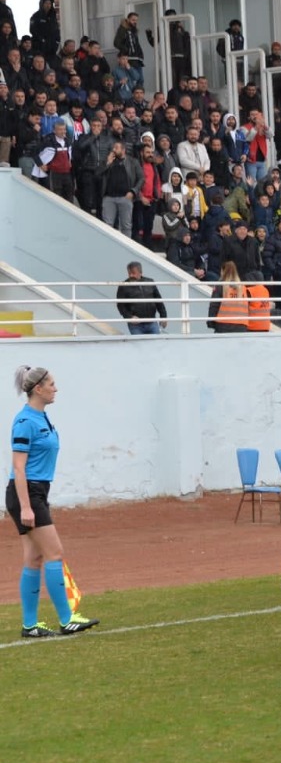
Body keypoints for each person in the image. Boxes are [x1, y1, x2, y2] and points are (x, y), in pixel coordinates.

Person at [9, 366, 99, 638]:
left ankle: (30, 625)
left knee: (34, 557)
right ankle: (66, 618)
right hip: (27, 494)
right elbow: (18, 467)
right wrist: (26, 506)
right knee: (54, 552)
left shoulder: (41, 418)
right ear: (38, 389)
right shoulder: (25, 422)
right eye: (51, 383)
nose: (55, 388)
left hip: (36, 493)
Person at [115, 261, 166, 335]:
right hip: (135, 325)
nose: (130, 275)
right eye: (129, 273)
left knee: (156, 344)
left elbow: (158, 301)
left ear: (140, 272)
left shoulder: (150, 282)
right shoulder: (123, 286)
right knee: (140, 346)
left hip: (152, 322)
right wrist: (129, 317)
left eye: (133, 273)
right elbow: (121, 305)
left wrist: (163, 316)